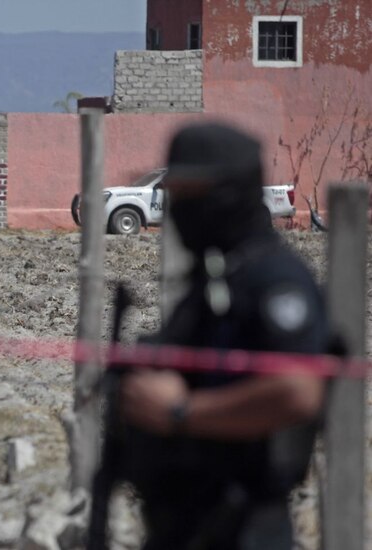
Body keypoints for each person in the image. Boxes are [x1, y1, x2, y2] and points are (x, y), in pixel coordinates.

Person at [115, 123, 327, 549]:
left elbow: (298, 389)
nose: (180, 210)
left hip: (243, 521)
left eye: (192, 195)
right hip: (187, 517)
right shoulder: (216, 273)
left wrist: (181, 412)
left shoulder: (274, 278)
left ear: (229, 194)